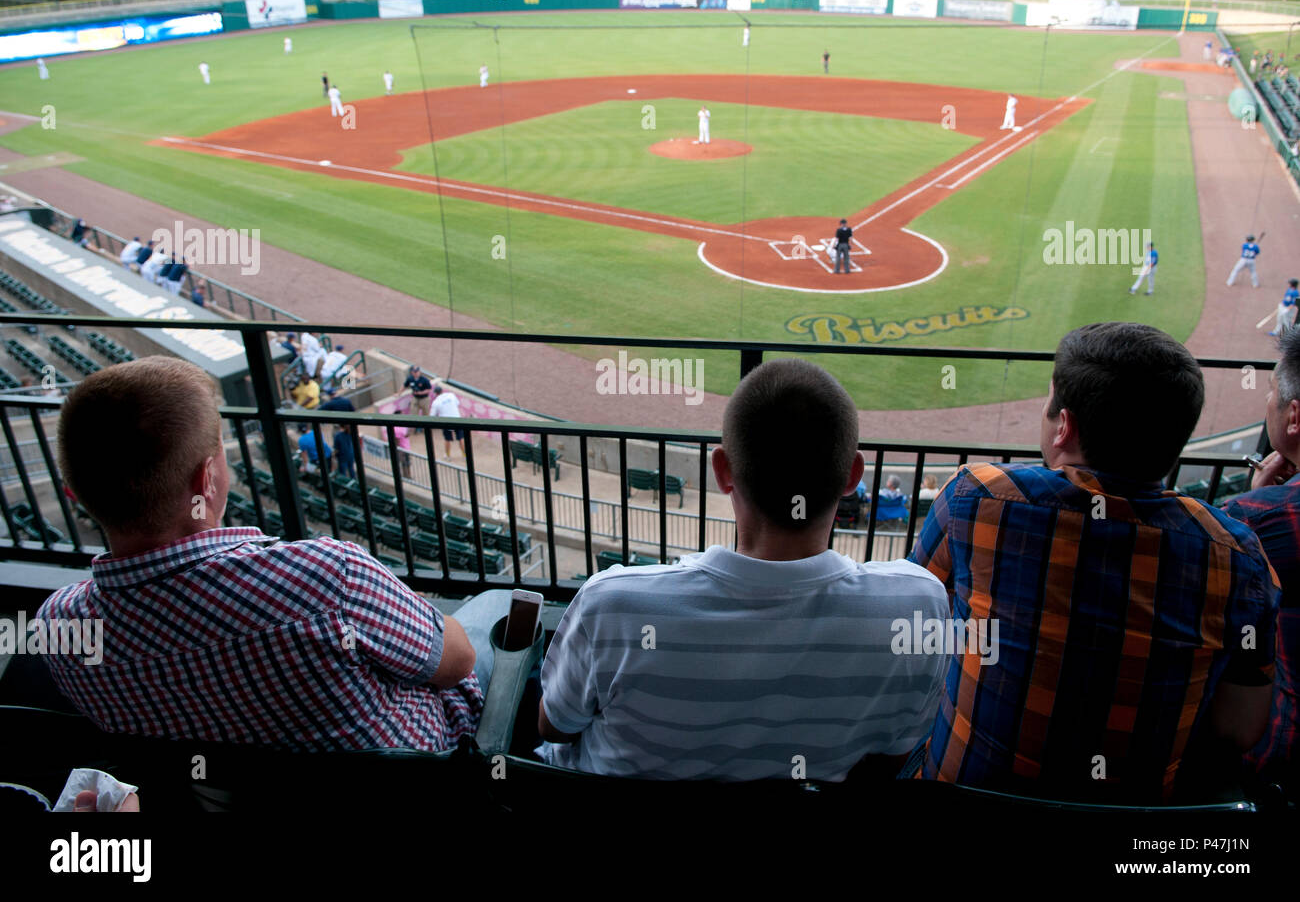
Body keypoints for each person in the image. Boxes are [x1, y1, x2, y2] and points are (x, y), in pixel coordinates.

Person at [33, 356, 486, 753]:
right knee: (491, 611)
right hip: (431, 784)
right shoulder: (329, 576)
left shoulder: (60, 629)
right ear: (206, 479)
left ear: (74, 495)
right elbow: (458, 661)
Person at [908, 322, 1280, 803]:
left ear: (1064, 426)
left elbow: (916, 631)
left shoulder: (975, 499)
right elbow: (1239, 728)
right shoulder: (1238, 558)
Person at [538, 359, 949, 780]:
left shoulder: (610, 604)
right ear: (852, 476)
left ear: (723, 471)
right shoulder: (919, 609)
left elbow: (555, 726)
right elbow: (892, 759)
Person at [1222, 326, 1300, 794]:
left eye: (1271, 393)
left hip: (1277, 774)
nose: (1266, 401)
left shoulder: (1253, 521)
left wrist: (1259, 507)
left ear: (1295, 417)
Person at [431, 384, 466, 459]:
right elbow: (457, 404)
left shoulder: (436, 402)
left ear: (436, 393)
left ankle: (448, 455)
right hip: (457, 419)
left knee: (447, 439)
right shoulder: (451, 395)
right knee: (461, 438)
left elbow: (432, 416)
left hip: (446, 422)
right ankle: (465, 455)